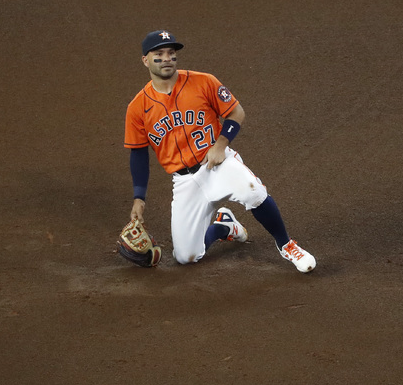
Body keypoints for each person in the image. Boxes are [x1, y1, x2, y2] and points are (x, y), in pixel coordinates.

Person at [123, 30, 316, 273]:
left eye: (171, 54)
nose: (167, 59)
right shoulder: (137, 108)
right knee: (186, 256)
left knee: (253, 191)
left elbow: (237, 113)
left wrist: (220, 145)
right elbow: (138, 153)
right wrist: (139, 199)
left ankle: (287, 245)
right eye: (159, 54)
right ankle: (225, 226)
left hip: (218, 163)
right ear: (145, 60)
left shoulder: (203, 82)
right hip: (184, 181)